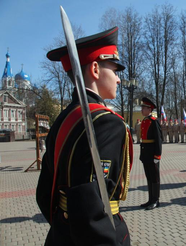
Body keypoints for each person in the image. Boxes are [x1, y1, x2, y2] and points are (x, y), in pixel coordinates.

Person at [36, 27, 133, 246]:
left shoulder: (63, 119)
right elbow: (92, 207)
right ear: (96, 69)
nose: (118, 80)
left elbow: (44, 192)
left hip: (62, 233)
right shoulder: (107, 123)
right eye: (115, 70)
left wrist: (62, 221)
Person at [140, 97, 163, 209]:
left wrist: (157, 155)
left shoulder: (154, 122)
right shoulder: (145, 121)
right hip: (146, 154)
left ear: (149, 109)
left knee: (154, 177)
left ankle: (156, 200)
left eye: (144, 108)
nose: (142, 110)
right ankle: (150, 199)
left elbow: (159, 140)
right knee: (149, 177)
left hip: (152, 153)